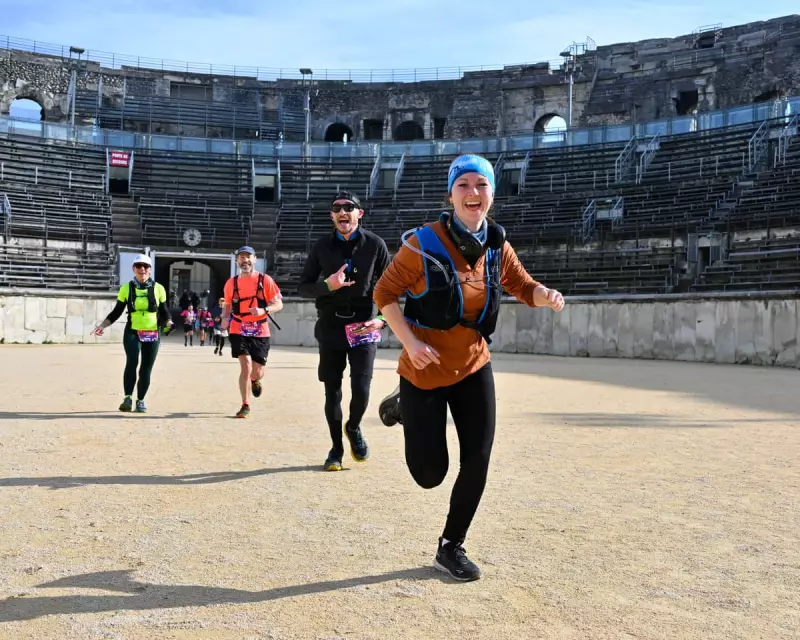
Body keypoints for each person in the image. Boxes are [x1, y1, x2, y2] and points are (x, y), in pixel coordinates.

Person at [373, 154, 566, 582]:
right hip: (424, 367)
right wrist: (410, 342)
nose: (472, 193)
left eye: (481, 185)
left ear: (492, 194)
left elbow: (522, 285)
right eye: (463, 185)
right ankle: (404, 404)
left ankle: (450, 546)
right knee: (430, 475)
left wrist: (545, 294)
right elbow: (384, 293)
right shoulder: (421, 244)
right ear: (451, 194)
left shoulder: (497, 244)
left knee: (477, 459)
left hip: (474, 362)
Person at [298, 190, 391, 472]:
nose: (342, 212)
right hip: (330, 325)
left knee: (361, 388)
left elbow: (393, 287)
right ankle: (336, 449)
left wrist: (383, 319)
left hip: (363, 324)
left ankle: (354, 427)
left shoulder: (375, 245)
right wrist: (329, 285)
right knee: (332, 392)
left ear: (359, 214)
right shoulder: (321, 247)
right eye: (337, 208)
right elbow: (303, 286)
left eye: (348, 207)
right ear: (332, 216)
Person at [90, 254, 173, 413]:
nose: (142, 269)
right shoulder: (126, 288)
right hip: (133, 331)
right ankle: (127, 398)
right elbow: (117, 311)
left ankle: (140, 400)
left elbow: (164, 311)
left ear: (150, 269)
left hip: (152, 332)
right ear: (133, 269)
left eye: (145, 266)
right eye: (138, 266)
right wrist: (102, 326)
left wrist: (169, 322)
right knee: (132, 362)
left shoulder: (158, 288)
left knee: (146, 368)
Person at [221, 246, 283, 418]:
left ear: (255, 260)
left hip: (260, 329)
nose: (245, 260)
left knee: (256, 370)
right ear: (237, 261)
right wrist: (225, 318)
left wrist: (264, 310)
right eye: (241, 257)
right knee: (245, 365)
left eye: (248, 257)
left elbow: (278, 304)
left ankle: (256, 380)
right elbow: (227, 305)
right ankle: (245, 404)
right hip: (238, 327)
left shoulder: (265, 280)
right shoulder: (231, 283)